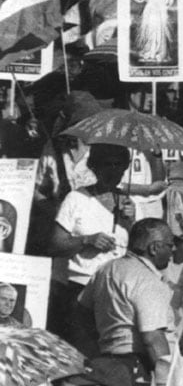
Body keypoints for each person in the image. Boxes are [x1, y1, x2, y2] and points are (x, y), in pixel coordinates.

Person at [78, 219, 176, 386]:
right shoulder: (148, 281)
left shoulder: (106, 269)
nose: (172, 252)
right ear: (154, 248)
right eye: (169, 245)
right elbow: (153, 339)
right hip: (137, 368)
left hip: (106, 361)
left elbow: (82, 310)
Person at [49, 144, 133, 337]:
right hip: (82, 289)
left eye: (119, 165)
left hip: (117, 291)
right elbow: (55, 245)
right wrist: (87, 240)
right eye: (107, 164)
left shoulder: (128, 203)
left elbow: (137, 250)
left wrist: (132, 221)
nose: (114, 170)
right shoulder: (76, 198)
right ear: (94, 167)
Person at [130, 0, 176, 64]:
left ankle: (160, 53)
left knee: (159, 32)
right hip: (150, 10)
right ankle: (149, 51)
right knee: (150, 32)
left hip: (160, 11)